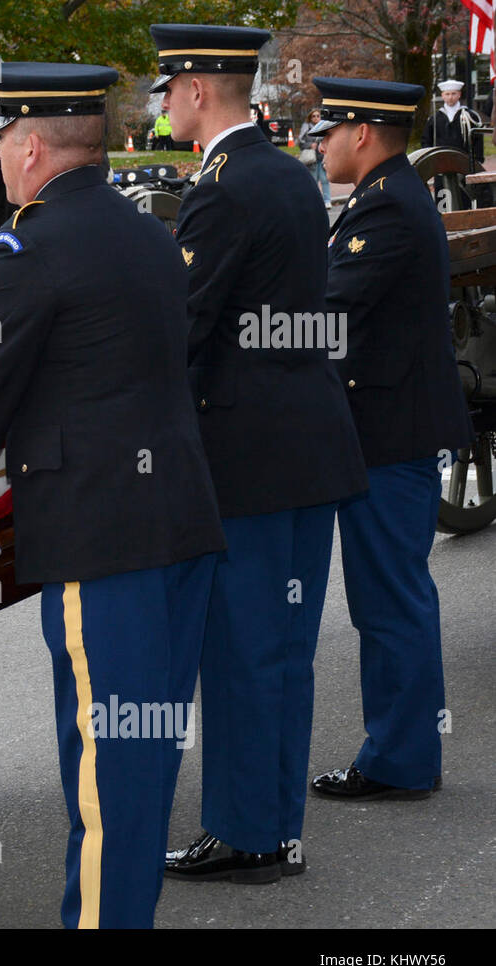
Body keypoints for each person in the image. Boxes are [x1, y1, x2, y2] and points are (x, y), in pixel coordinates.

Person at [0, 62, 225, 928]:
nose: (2, 167)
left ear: (26, 146)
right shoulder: (146, 229)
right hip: (178, 518)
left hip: (105, 541)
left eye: (2, 150)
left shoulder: (29, 246)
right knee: (144, 758)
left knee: (106, 778)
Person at [148, 24, 368, 885]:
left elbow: (187, 327)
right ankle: (277, 827)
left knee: (241, 652)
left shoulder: (227, 186)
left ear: (200, 91)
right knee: (282, 648)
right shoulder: (283, 171)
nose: (159, 105)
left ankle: (246, 835)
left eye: (167, 89)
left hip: (247, 454)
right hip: (304, 447)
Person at [306, 78, 473, 802]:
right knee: (390, 598)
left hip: (390, 435)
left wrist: (244, 329)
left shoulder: (390, 211)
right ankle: (401, 754)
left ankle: (401, 760)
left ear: (363, 134)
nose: (320, 144)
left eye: (328, 132)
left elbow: (326, 314)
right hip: (385, 425)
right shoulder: (386, 199)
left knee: (391, 601)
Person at [421, 78, 484, 170]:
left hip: (465, 161)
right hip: (441, 162)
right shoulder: (434, 119)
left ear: (459, 94)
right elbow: (426, 140)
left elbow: (478, 138)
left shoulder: (470, 116)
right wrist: (431, 159)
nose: (450, 97)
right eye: (447, 94)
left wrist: (478, 159)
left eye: (453, 94)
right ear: (442, 95)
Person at [298, 108, 332, 208]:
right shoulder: (306, 129)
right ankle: (316, 201)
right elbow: (300, 143)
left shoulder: (324, 127)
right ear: (310, 117)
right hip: (311, 159)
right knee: (314, 181)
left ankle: (327, 200)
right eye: (314, 116)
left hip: (322, 158)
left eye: (318, 116)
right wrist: (310, 145)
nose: (316, 118)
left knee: (325, 180)